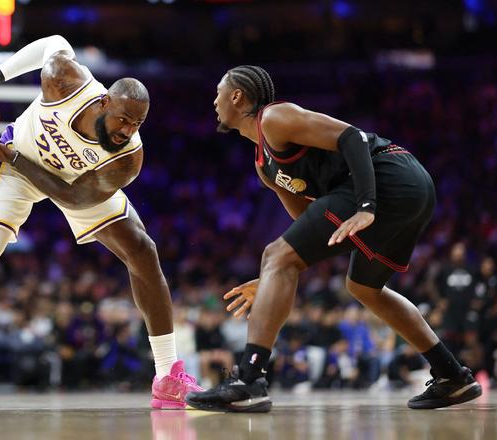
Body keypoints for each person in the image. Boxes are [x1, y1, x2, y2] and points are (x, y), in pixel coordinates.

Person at [0, 35, 201, 412]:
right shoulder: (65, 80)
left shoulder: (127, 159)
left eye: (137, 124)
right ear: (104, 102)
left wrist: (11, 158)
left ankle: (167, 376)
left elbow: (73, 198)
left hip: (68, 181)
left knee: (142, 250)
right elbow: (53, 42)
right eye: (123, 119)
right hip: (18, 162)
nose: (127, 130)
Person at [185, 65, 482, 412]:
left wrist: (367, 205)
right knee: (363, 288)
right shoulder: (264, 167)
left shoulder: (275, 118)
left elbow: (353, 137)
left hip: (390, 176)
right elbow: (306, 227)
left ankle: (248, 380)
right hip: (409, 191)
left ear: (236, 96)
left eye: (218, 92)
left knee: (276, 255)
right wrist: (273, 278)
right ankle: (452, 376)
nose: (214, 101)